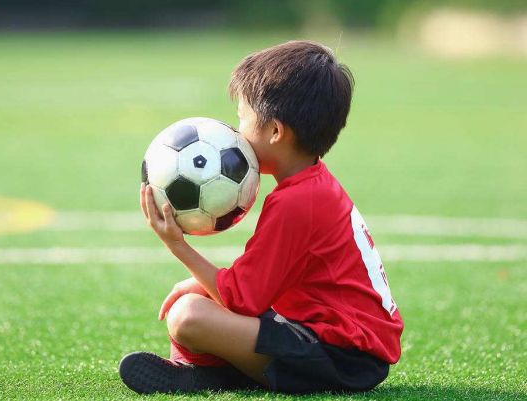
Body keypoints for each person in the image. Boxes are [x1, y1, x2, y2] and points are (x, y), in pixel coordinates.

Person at [119, 40, 403, 394]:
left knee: (188, 316)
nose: (236, 131)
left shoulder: (298, 201)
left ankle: (215, 374)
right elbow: (258, 283)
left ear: (275, 132)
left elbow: (242, 299)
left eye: (243, 118)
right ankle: (209, 371)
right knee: (197, 298)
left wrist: (178, 246)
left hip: (344, 356)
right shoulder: (311, 185)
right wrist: (205, 284)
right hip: (330, 339)